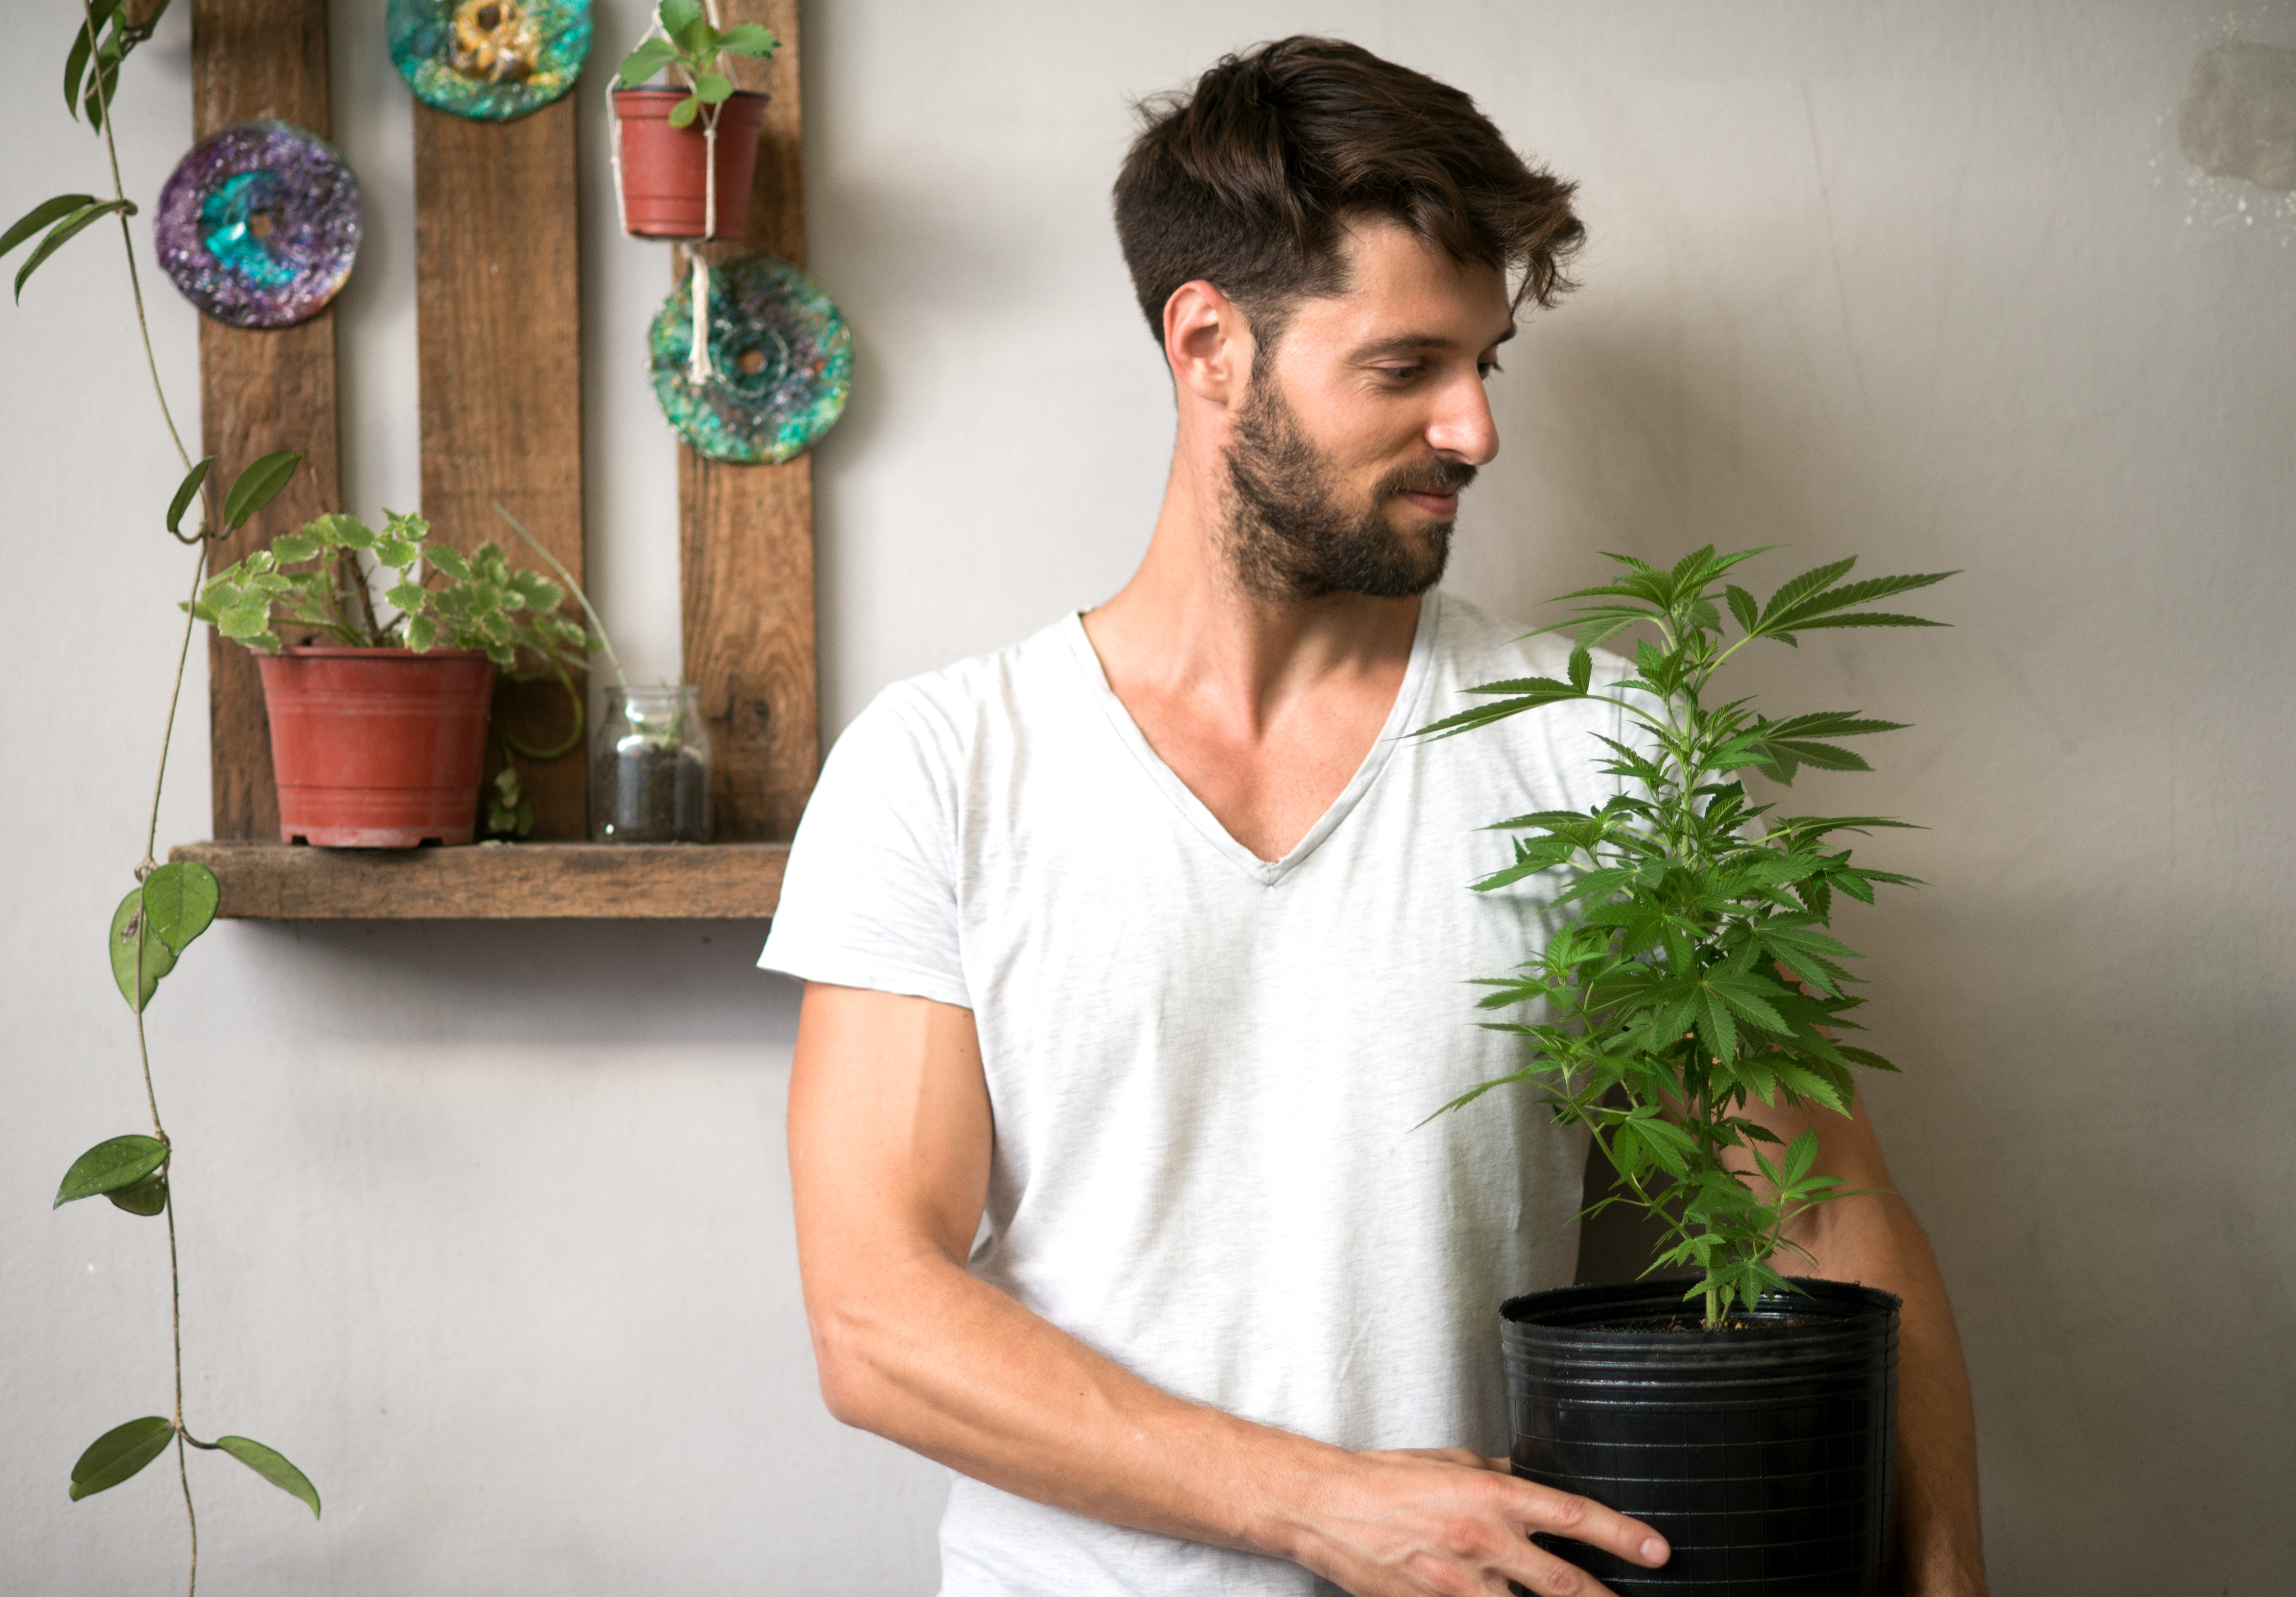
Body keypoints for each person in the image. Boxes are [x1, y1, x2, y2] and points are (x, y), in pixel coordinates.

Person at [763, 36, 1988, 1597]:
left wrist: (1949, 1579)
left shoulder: (1605, 747)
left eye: (1486, 363)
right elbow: (877, 1314)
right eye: (1407, 367)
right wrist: (1312, 1502)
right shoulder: (943, 763)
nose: (1475, 427)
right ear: (1209, 344)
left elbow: (1823, 1226)